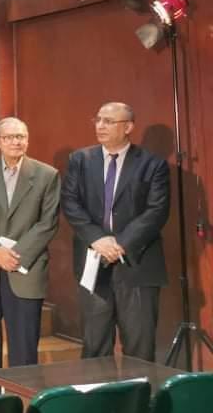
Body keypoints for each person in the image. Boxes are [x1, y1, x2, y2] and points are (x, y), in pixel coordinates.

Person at [61, 102, 170, 361]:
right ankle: (98, 389)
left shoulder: (152, 164)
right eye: (98, 120)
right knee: (95, 347)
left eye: (109, 121)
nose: (100, 126)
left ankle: (139, 390)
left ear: (128, 127)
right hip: (93, 262)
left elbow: (156, 211)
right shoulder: (80, 160)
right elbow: (70, 203)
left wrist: (119, 244)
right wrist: (98, 239)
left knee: (140, 350)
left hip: (137, 264)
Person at [0, 117, 60, 396]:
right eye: (9, 137)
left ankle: (23, 404)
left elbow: (48, 223)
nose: (16, 142)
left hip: (24, 269)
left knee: (24, 347)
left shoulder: (47, 175)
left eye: (21, 136)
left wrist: (14, 255)